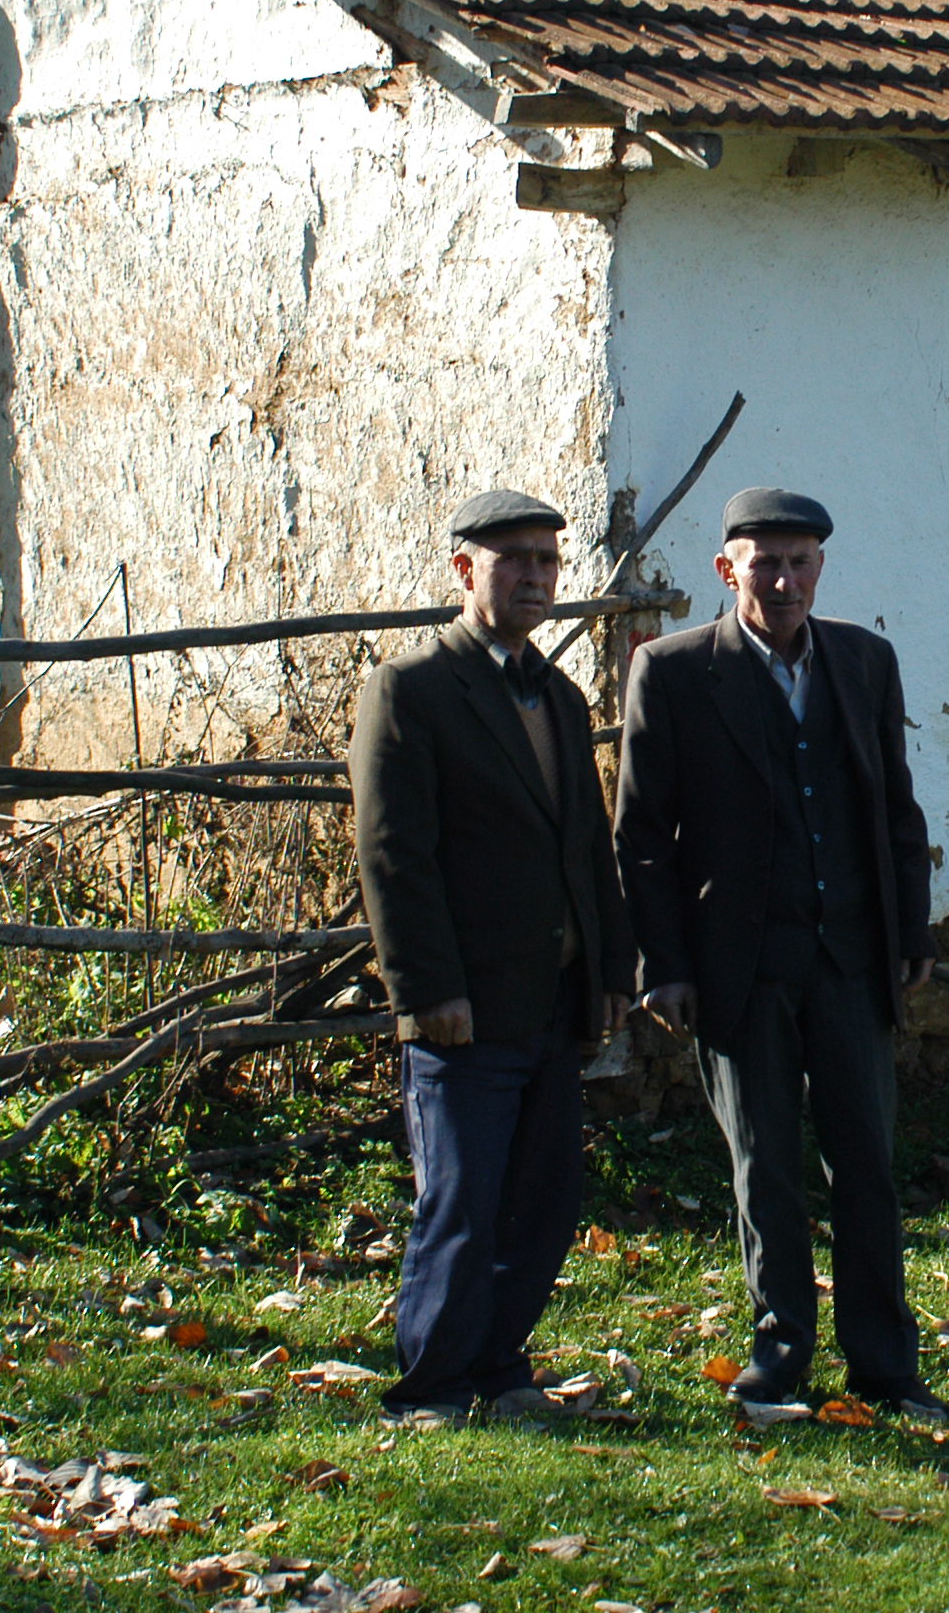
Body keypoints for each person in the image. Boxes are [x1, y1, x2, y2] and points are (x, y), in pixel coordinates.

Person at [612, 487, 945, 1419]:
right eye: (767, 563)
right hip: (739, 965)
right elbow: (642, 836)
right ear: (728, 571)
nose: (787, 579)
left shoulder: (865, 662)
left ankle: (884, 1362)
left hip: (848, 957)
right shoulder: (674, 673)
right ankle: (781, 1350)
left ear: (821, 568)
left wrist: (909, 928)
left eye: (801, 561)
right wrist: (665, 964)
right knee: (765, 1164)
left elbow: (895, 805)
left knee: (868, 1165)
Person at [348, 488, 634, 1427]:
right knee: (462, 1202)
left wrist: (606, 974)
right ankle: (431, 1384)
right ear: (464, 570)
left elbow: (590, 849)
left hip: (550, 1000)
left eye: (548, 561)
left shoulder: (558, 695)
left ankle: (502, 1369)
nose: (535, 577)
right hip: (465, 1004)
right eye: (514, 560)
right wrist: (427, 990)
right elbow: (395, 856)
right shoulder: (414, 690)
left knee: (544, 1202)